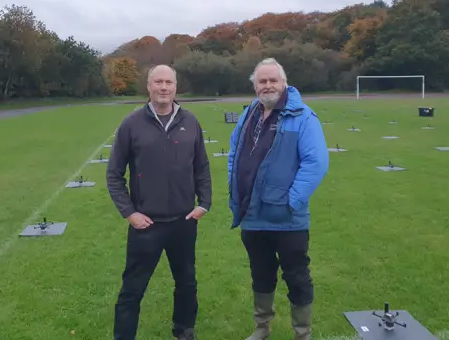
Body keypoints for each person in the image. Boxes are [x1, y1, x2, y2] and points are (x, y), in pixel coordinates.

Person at [106, 64, 212, 340]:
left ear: (176, 87)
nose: (164, 87)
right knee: (132, 288)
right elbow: (114, 174)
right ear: (149, 86)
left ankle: (184, 331)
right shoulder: (132, 124)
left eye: (169, 82)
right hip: (146, 225)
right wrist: (130, 213)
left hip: (183, 222)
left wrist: (205, 203)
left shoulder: (190, 122)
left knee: (187, 283)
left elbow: (202, 166)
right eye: (158, 82)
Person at [227, 58, 329, 340]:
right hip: (252, 215)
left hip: (288, 220)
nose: (268, 85)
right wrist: (235, 188)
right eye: (262, 81)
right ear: (255, 86)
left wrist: (291, 201)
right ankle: (262, 329)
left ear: (284, 83)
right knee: (261, 275)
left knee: (296, 277)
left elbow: (316, 162)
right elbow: (234, 153)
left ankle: (302, 333)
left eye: (273, 80)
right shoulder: (249, 113)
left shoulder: (303, 117)